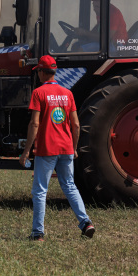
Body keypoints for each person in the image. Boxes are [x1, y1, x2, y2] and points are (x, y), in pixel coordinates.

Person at [19, 55, 95, 241]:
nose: (37, 74)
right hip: (66, 147)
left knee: (40, 190)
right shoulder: (67, 93)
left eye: (38, 70)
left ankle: (38, 233)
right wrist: (74, 148)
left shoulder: (39, 93)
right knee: (69, 186)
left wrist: (26, 151)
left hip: (47, 148)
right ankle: (86, 223)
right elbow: (76, 125)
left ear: (43, 72)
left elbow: (34, 124)